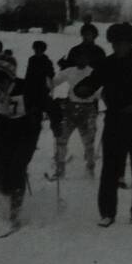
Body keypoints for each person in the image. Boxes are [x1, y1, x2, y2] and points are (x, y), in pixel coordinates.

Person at [74, 22, 132, 227]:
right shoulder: (107, 63)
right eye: (114, 43)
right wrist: (83, 88)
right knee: (110, 168)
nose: (118, 47)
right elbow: (93, 81)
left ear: (130, 42)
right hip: (115, 120)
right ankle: (107, 212)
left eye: (122, 43)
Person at [0, 53, 43, 227]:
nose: (0, 84)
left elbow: (46, 102)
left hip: (27, 133)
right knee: (4, 172)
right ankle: (7, 194)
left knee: (18, 167)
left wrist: (55, 122)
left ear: (11, 77)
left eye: (3, 79)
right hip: (5, 135)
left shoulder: (26, 87)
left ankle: (15, 210)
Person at [50, 47, 100, 179]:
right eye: (79, 57)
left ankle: (90, 168)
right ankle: (60, 170)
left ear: (88, 59)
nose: (81, 60)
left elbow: (100, 92)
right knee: (61, 139)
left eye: (84, 57)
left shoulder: (93, 72)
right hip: (70, 109)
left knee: (88, 141)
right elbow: (53, 81)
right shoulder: (69, 71)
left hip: (88, 109)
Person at [25, 40, 58, 137]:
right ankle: (33, 130)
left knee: (44, 108)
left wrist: (49, 86)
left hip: (42, 89)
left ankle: (52, 127)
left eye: (39, 49)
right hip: (31, 88)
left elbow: (51, 75)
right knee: (32, 111)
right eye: (36, 49)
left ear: (43, 50)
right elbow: (28, 74)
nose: (37, 51)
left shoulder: (47, 61)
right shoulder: (31, 59)